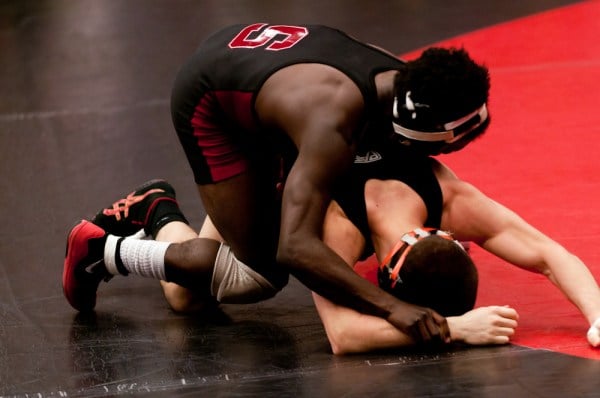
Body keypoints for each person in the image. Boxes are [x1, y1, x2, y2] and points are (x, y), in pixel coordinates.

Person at [63, 23, 492, 344]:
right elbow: (295, 248)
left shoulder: (403, 82)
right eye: (451, 146)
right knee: (257, 272)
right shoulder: (336, 124)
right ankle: (102, 253)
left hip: (260, 77)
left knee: (189, 300)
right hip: (214, 102)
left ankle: (156, 209)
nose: (446, 157)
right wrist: (392, 307)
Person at [310, 153, 600, 354]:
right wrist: (455, 328)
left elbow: (547, 253)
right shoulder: (336, 225)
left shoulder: (447, 195)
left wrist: (598, 313)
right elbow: (343, 335)